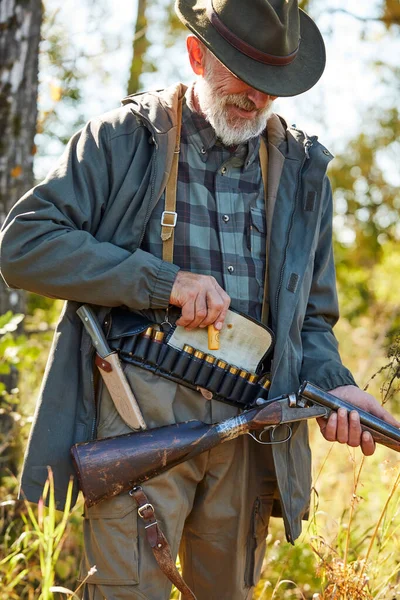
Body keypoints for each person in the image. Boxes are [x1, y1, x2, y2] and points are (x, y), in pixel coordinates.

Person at [0, 1, 398, 599]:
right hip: (134, 417)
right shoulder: (121, 138)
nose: (259, 99)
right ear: (195, 56)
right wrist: (164, 282)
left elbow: (309, 320)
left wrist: (335, 384)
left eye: (272, 85)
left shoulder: (304, 170)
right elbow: (24, 245)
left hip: (251, 428)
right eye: (245, 77)